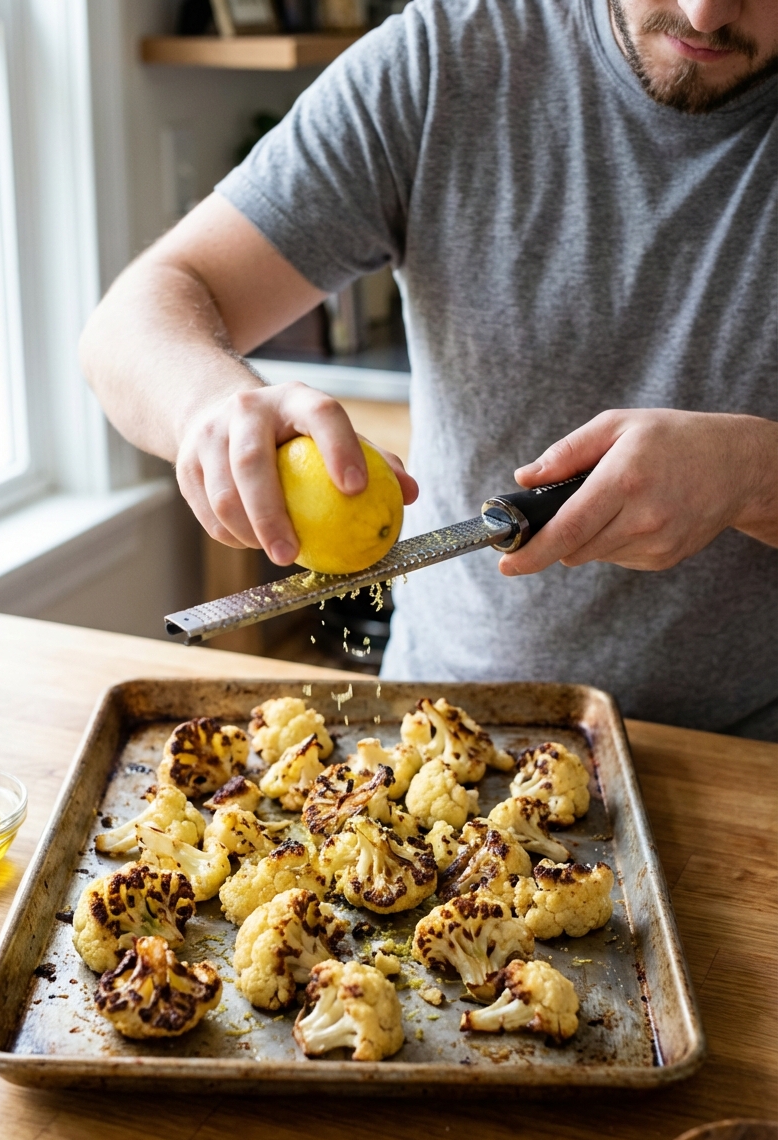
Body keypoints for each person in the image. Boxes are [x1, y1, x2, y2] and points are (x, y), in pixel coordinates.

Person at [80, 0, 778, 737]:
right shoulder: (445, 61)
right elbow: (131, 322)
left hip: (749, 754)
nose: (704, 12)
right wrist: (209, 408)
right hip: (441, 733)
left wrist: (755, 475)